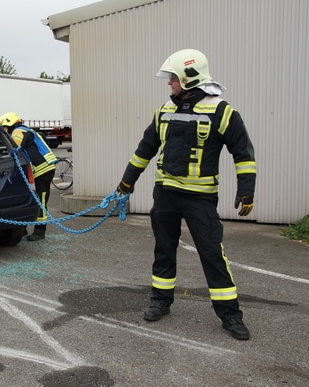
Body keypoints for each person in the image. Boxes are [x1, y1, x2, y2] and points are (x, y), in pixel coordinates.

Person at [116, 49, 256, 340]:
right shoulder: (164, 111)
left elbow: (242, 153)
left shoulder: (221, 110)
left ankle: (230, 315)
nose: (169, 83)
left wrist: (247, 191)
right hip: (165, 194)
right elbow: (145, 150)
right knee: (163, 249)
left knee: (211, 254)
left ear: (190, 78)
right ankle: (160, 301)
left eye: (173, 78)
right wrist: (126, 183)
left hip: (200, 199)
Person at [0, 112, 57, 241]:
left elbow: (15, 150)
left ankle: (40, 232)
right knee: (34, 198)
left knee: (40, 200)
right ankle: (23, 228)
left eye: (4, 128)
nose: (4, 131)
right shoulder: (25, 130)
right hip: (44, 168)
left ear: (8, 124)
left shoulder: (17, 132)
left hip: (42, 170)